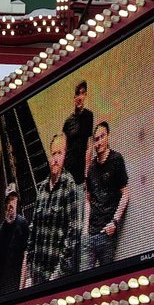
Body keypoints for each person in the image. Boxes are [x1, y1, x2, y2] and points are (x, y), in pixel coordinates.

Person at [24, 136, 80, 285]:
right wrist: (30, 263)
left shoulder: (69, 185)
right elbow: (33, 227)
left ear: (65, 156)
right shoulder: (42, 188)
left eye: (59, 153)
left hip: (56, 276)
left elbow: (73, 233)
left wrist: (58, 274)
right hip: (37, 273)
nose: (55, 158)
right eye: (53, 154)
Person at [85, 121, 129, 269]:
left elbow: (125, 194)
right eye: (96, 139)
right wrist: (85, 230)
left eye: (102, 137)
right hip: (91, 233)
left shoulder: (116, 160)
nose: (99, 142)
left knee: (105, 279)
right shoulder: (91, 168)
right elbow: (88, 200)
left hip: (107, 233)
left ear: (108, 136)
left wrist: (114, 222)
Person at [0, 183, 29, 296]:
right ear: (5, 203)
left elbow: (25, 258)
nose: (11, 204)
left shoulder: (23, 224)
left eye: (13, 199)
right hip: (1, 291)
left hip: (17, 288)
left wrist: (21, 289)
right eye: (9, 200)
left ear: (17, 201)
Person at [61, 81, 95, 185]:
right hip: (69, 168)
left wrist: (87, 171)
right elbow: (63, 148)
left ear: (85, 95)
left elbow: (89, 146)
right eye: (77, 94)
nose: (79, 97)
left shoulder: (89, 115)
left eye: (82, 93)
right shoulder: (68, 122)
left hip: (82, 169)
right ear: (74, 97)